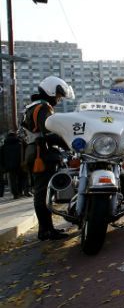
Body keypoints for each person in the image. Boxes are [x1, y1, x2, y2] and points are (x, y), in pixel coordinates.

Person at [22, 76, 75, 240]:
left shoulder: (33, 106)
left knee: (42, 192)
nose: (59, 99)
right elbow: (49, 132)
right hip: (41, 154)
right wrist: (69, 143)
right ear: (51, 91)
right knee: (43, 192)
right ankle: (45, 230)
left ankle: (47, 229)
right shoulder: (43, 107)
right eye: (58, 95)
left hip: (35, 151)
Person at [0, 132, 26, 199]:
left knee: (12, 180)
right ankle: (20, 191)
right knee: (21, 178)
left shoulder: (3, 147)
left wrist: (3, 166)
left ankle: (15, 194)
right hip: (19, 164)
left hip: (10, 166)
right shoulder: (19, 145)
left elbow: (1, 157)